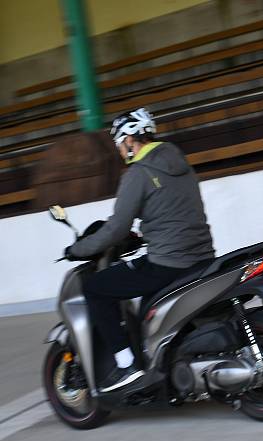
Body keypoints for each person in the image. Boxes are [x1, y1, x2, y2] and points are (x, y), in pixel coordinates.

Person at [66, 108, 215, 392]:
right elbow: (171, 212)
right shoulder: (180, 162)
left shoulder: (138, 173)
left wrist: (80, 249)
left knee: (96, 288)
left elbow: (115, 228)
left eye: (119, 144)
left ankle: (127, 366)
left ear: (129, 139)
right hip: (202, 256)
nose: (120, 151)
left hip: (168, 262)